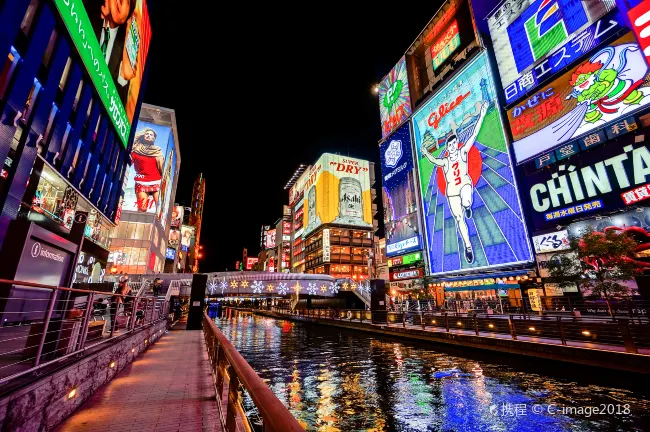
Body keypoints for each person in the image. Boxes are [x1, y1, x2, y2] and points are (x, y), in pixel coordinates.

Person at [420, 101, 488, 264]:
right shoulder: (444, 161)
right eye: (449, 145)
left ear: (456, 143)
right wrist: (424, 152)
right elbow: (434, 160)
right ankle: (468, 246)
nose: (451, 146)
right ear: (447, 147)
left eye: (453, 143)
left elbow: (474, 134)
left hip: (464, 183)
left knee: (466, 198)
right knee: (459, 219)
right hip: (452, 192)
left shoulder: (463, 151)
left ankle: (467, 205)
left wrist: (482, 114)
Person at [85, 0, 138, 105]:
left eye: (124, 1)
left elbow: (117, 111)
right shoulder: (86, 15)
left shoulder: (126, 52)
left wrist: (123, 77)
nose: (117, 2)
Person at [131, 128, 164, 212]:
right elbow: (128, 162)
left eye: (151, 135)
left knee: (161, 208)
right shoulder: (136, 150)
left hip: (156, 181)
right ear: (143, 136)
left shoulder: (157, 151)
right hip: (141, 181)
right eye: (147, 134)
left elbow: (162, 167)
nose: (149, 136)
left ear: (154, 138)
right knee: (142, 208)